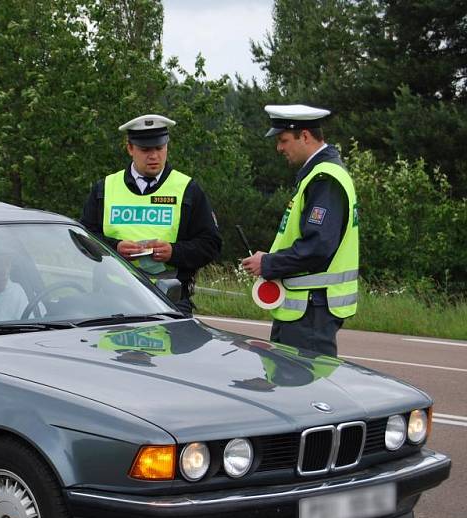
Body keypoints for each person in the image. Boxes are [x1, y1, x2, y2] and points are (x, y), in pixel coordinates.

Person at [241, 104, 359, 357]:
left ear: (304, 136)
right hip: (305, 308)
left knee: (303, 388)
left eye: (283, 140)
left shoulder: (324, 179)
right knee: (288, 384)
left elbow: (318, 247)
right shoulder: (317, 175)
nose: (279, 148)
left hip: (310, 310)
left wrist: (269, 263)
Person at [80, 114, 221, 315]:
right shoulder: (104, 189)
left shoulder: (188, 189)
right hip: (112, 301)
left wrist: (173, 252)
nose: (154, 156)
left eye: (159, 148)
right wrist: (115, 248)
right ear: (130, 148)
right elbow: (83, 239)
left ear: (167, 146)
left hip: (169, 300)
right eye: (145, 150)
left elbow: (211, 244)